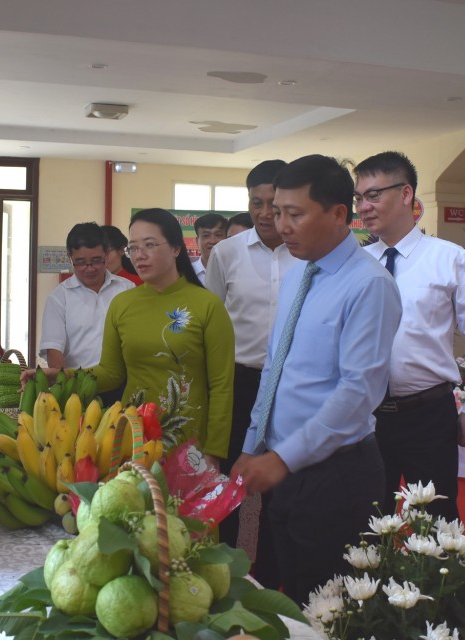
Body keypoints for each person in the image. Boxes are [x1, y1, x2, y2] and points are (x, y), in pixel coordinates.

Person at [231, 154, 401, 606]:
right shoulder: (297, 276)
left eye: (294, 213)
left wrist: (282, 458)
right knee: (289, 595)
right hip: (284, 467)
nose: (279, 224)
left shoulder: (368, 285)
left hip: (336, 475)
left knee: (331, 606)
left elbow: (357, 392)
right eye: (275, 211)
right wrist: (254, 445)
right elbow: (276, 366)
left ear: (338, 213)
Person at [355, 151, 465, 521]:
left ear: (406, 194)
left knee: (436, 521)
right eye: (359, 198)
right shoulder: (357, 263)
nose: (363, 207)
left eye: (373, 195)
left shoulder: (447, 258)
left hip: (427, 413)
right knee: (368, 521)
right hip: (364, 415)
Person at [36, 210, 235, 462]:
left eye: (149, 245)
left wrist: (215, 452)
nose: (139, 254)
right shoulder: (122, 304)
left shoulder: (207, 305)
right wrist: (63, 376)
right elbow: (111, 373)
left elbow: (221, 386)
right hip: (132, 435)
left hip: (189, 440)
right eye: (133, 247)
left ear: (176, 248)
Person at [205, 160, 297, 586]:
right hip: (239, 383)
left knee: (285, 486)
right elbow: (211, 324)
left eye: (273, 204)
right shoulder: (225, 255)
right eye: (256, 203)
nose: (264, 213)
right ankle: (222, 575)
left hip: (292, 386)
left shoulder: (307, 253)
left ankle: (276, 579)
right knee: (230, 485)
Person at [39, 222, 134, 370]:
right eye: (81, 262)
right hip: (80, 385)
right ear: (70, 257)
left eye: (96, 261)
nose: (89, 269)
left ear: (106, 254)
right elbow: (53, 349)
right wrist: (65, 386)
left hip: (123, 382)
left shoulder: (126, 289)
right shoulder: (59, 298)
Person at [190, 212, 228, 284]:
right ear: (197, 241)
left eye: (218, 235)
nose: (212, 241)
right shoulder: (188, 273)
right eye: (206, 235)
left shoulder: (235, 270)